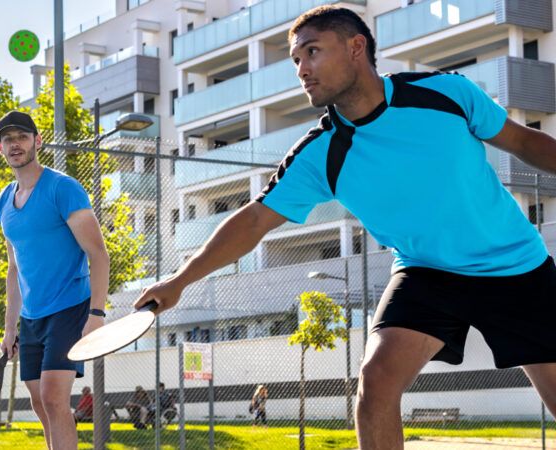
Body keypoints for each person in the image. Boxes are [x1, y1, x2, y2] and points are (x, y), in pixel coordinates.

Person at [135, 6, 556, 449]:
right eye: (296, 59)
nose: (302, 69)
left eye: (312, 52)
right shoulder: (322, 152)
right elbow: (255, 219)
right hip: (427, 273)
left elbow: (524, 140)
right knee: (375, 385)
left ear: (357, 48)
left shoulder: (445, 94)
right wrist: (180, 281)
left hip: (515, 266)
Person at [0, 110, 110, 450]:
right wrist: (10, 328)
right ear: (0, 148)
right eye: (7, 139)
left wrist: (97, 314)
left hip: (70, 306)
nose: (15, 144)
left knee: (53, 396)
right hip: (32, 317)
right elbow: (13, 268)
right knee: (38, 401)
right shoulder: (4, 201)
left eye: (22, 137)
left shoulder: (63, 188)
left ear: (37, 141)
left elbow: (98, 254)